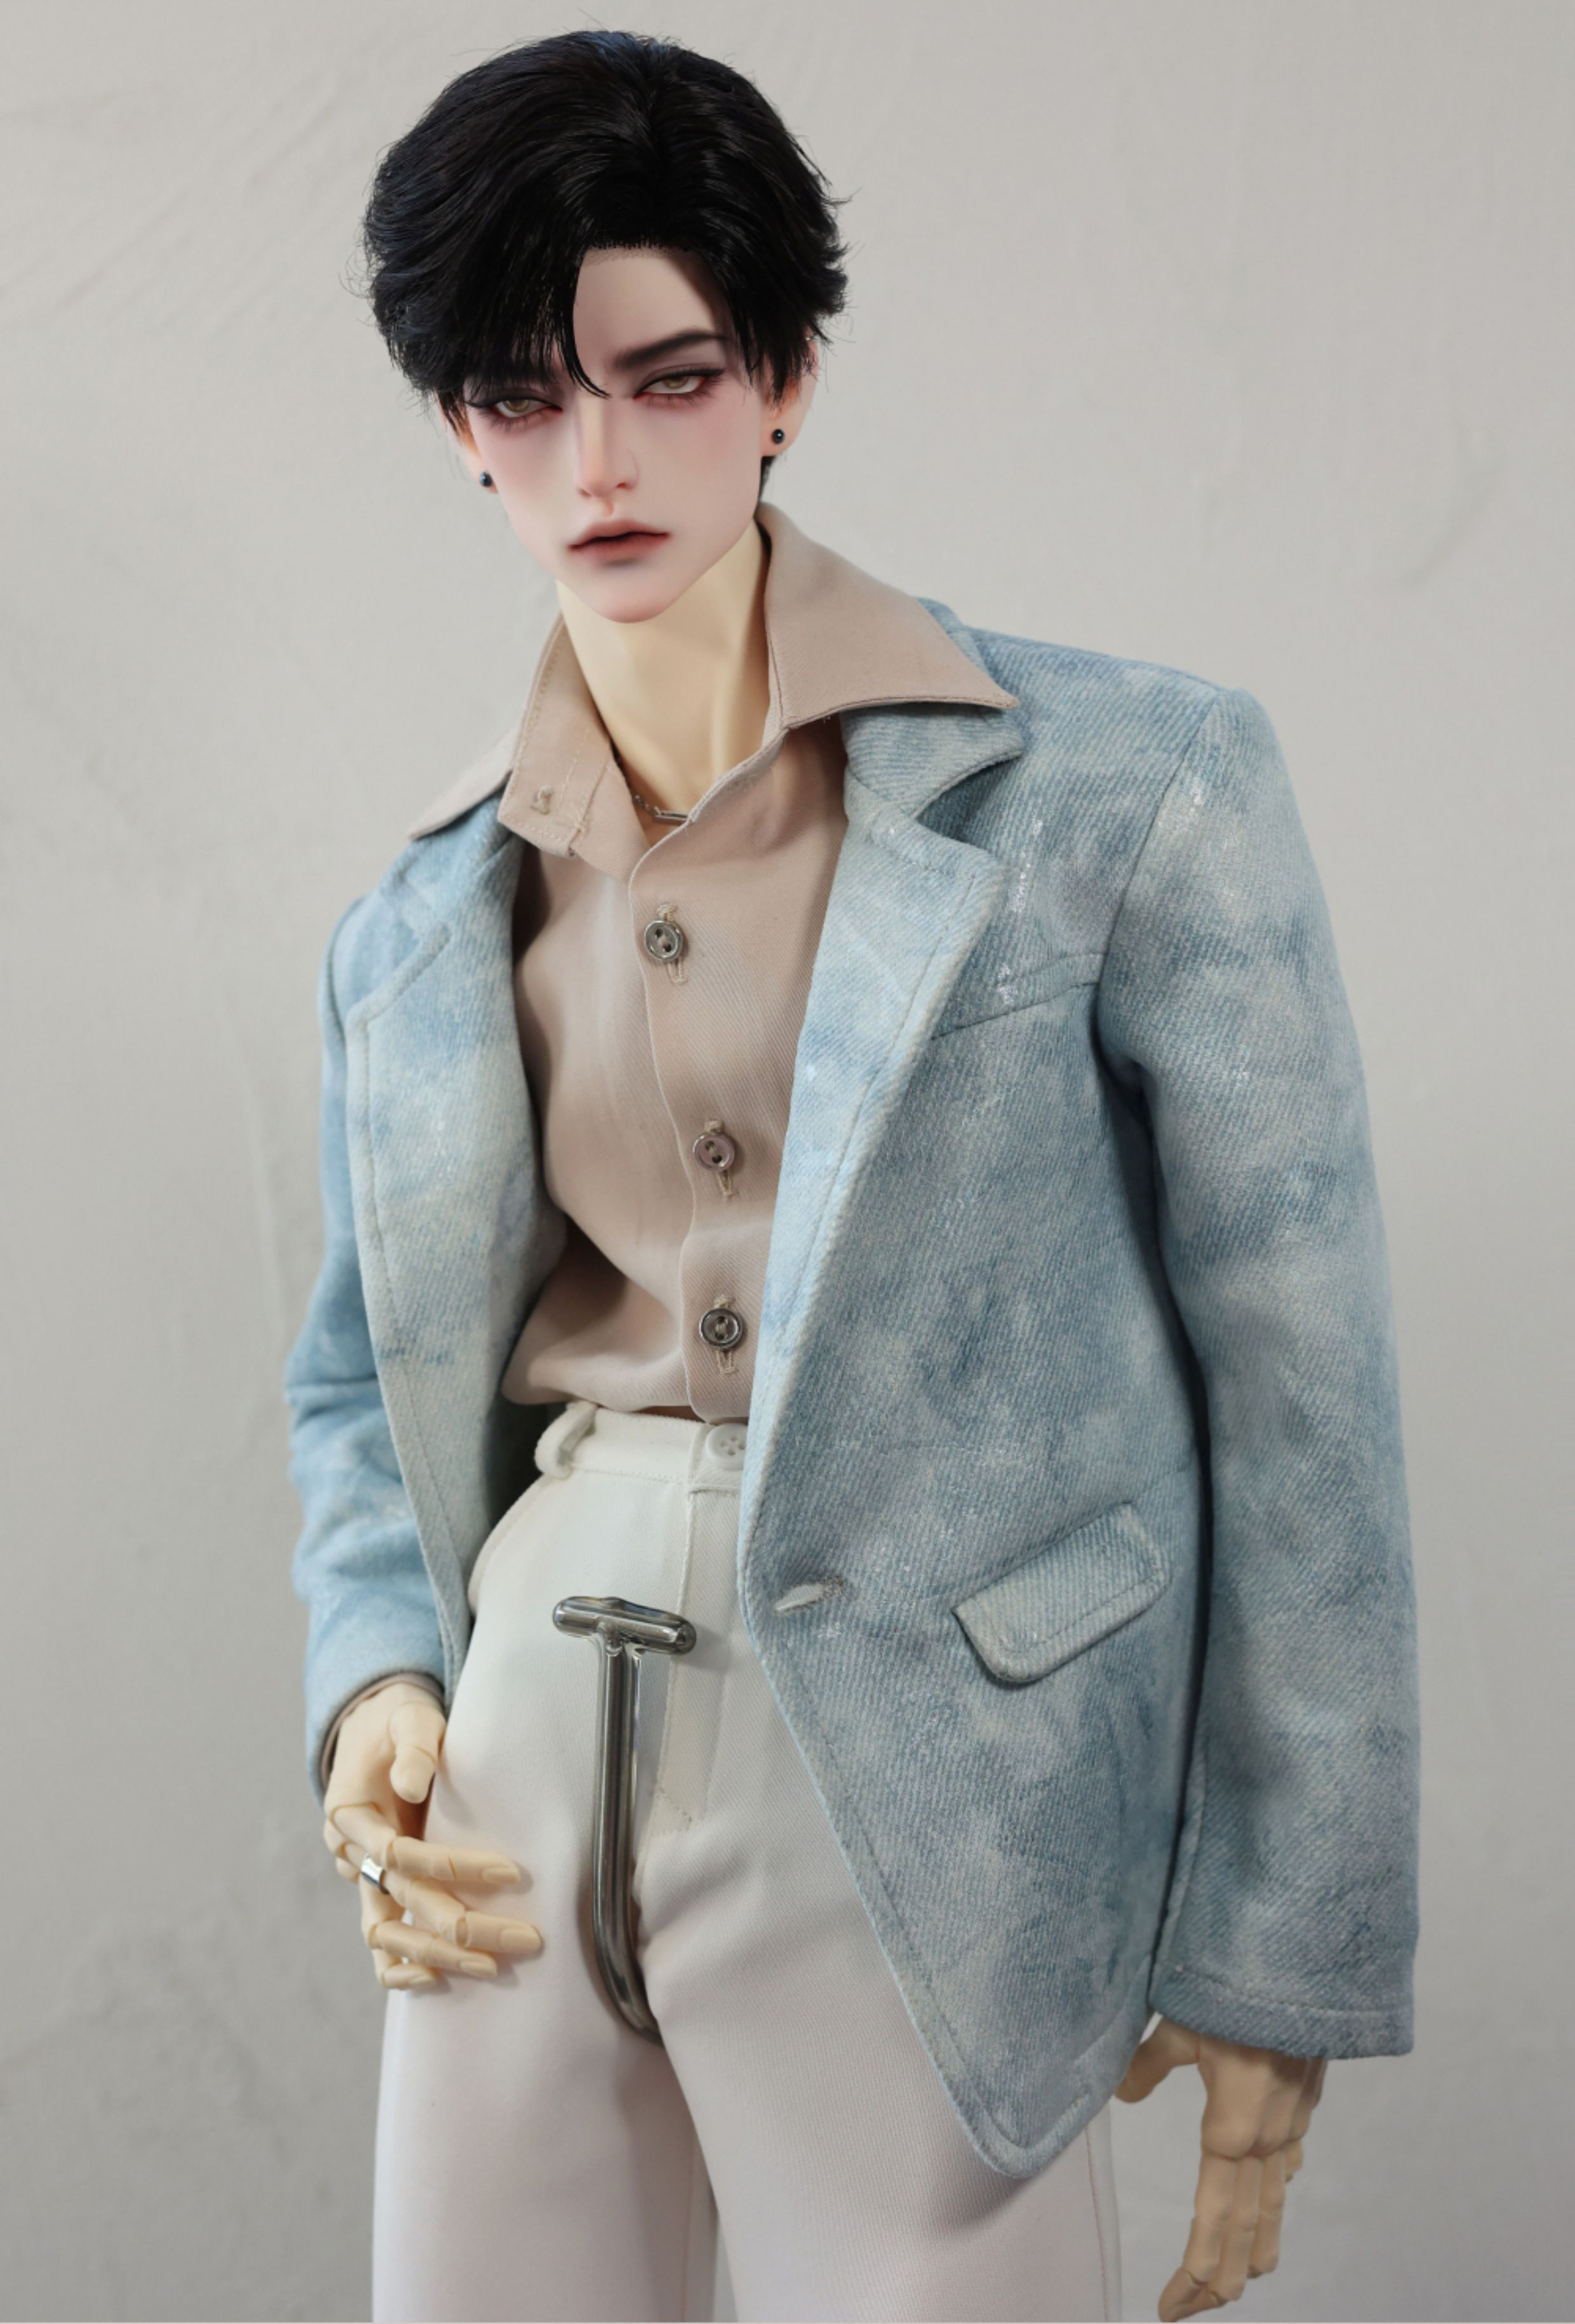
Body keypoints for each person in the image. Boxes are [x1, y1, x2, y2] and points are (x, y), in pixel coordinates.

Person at [285, 29, 1419, 2324]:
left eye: (670, 376)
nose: (599, 462)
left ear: (786, 376)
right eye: (522, 399)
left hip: (934, 1764)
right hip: (519, 1755)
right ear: (457, 431)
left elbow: (1304, 1402)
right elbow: (355, 1382)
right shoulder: (417, 915)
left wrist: (1277, 1948)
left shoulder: (1122, 787)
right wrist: (378, 1670)